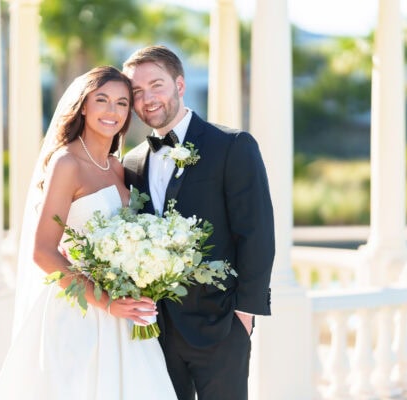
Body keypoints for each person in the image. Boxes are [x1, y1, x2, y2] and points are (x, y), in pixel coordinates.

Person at [0, 66, 177, 400]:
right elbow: (42, 251)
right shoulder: (67, 163)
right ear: (83, 106)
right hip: (81, 313)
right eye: (101, 100)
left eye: (121, 103)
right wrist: (105, 301)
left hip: (126, 314)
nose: (111, 111)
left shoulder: (117, 167)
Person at [122, 45, 275, 400]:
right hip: (154, 329)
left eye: (156, 85)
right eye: (137, 93)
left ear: (179, 85)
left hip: (220, 324)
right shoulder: (130, 163)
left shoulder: (232, 145)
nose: (147, 99)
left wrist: (244, 314)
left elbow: (256, 232)